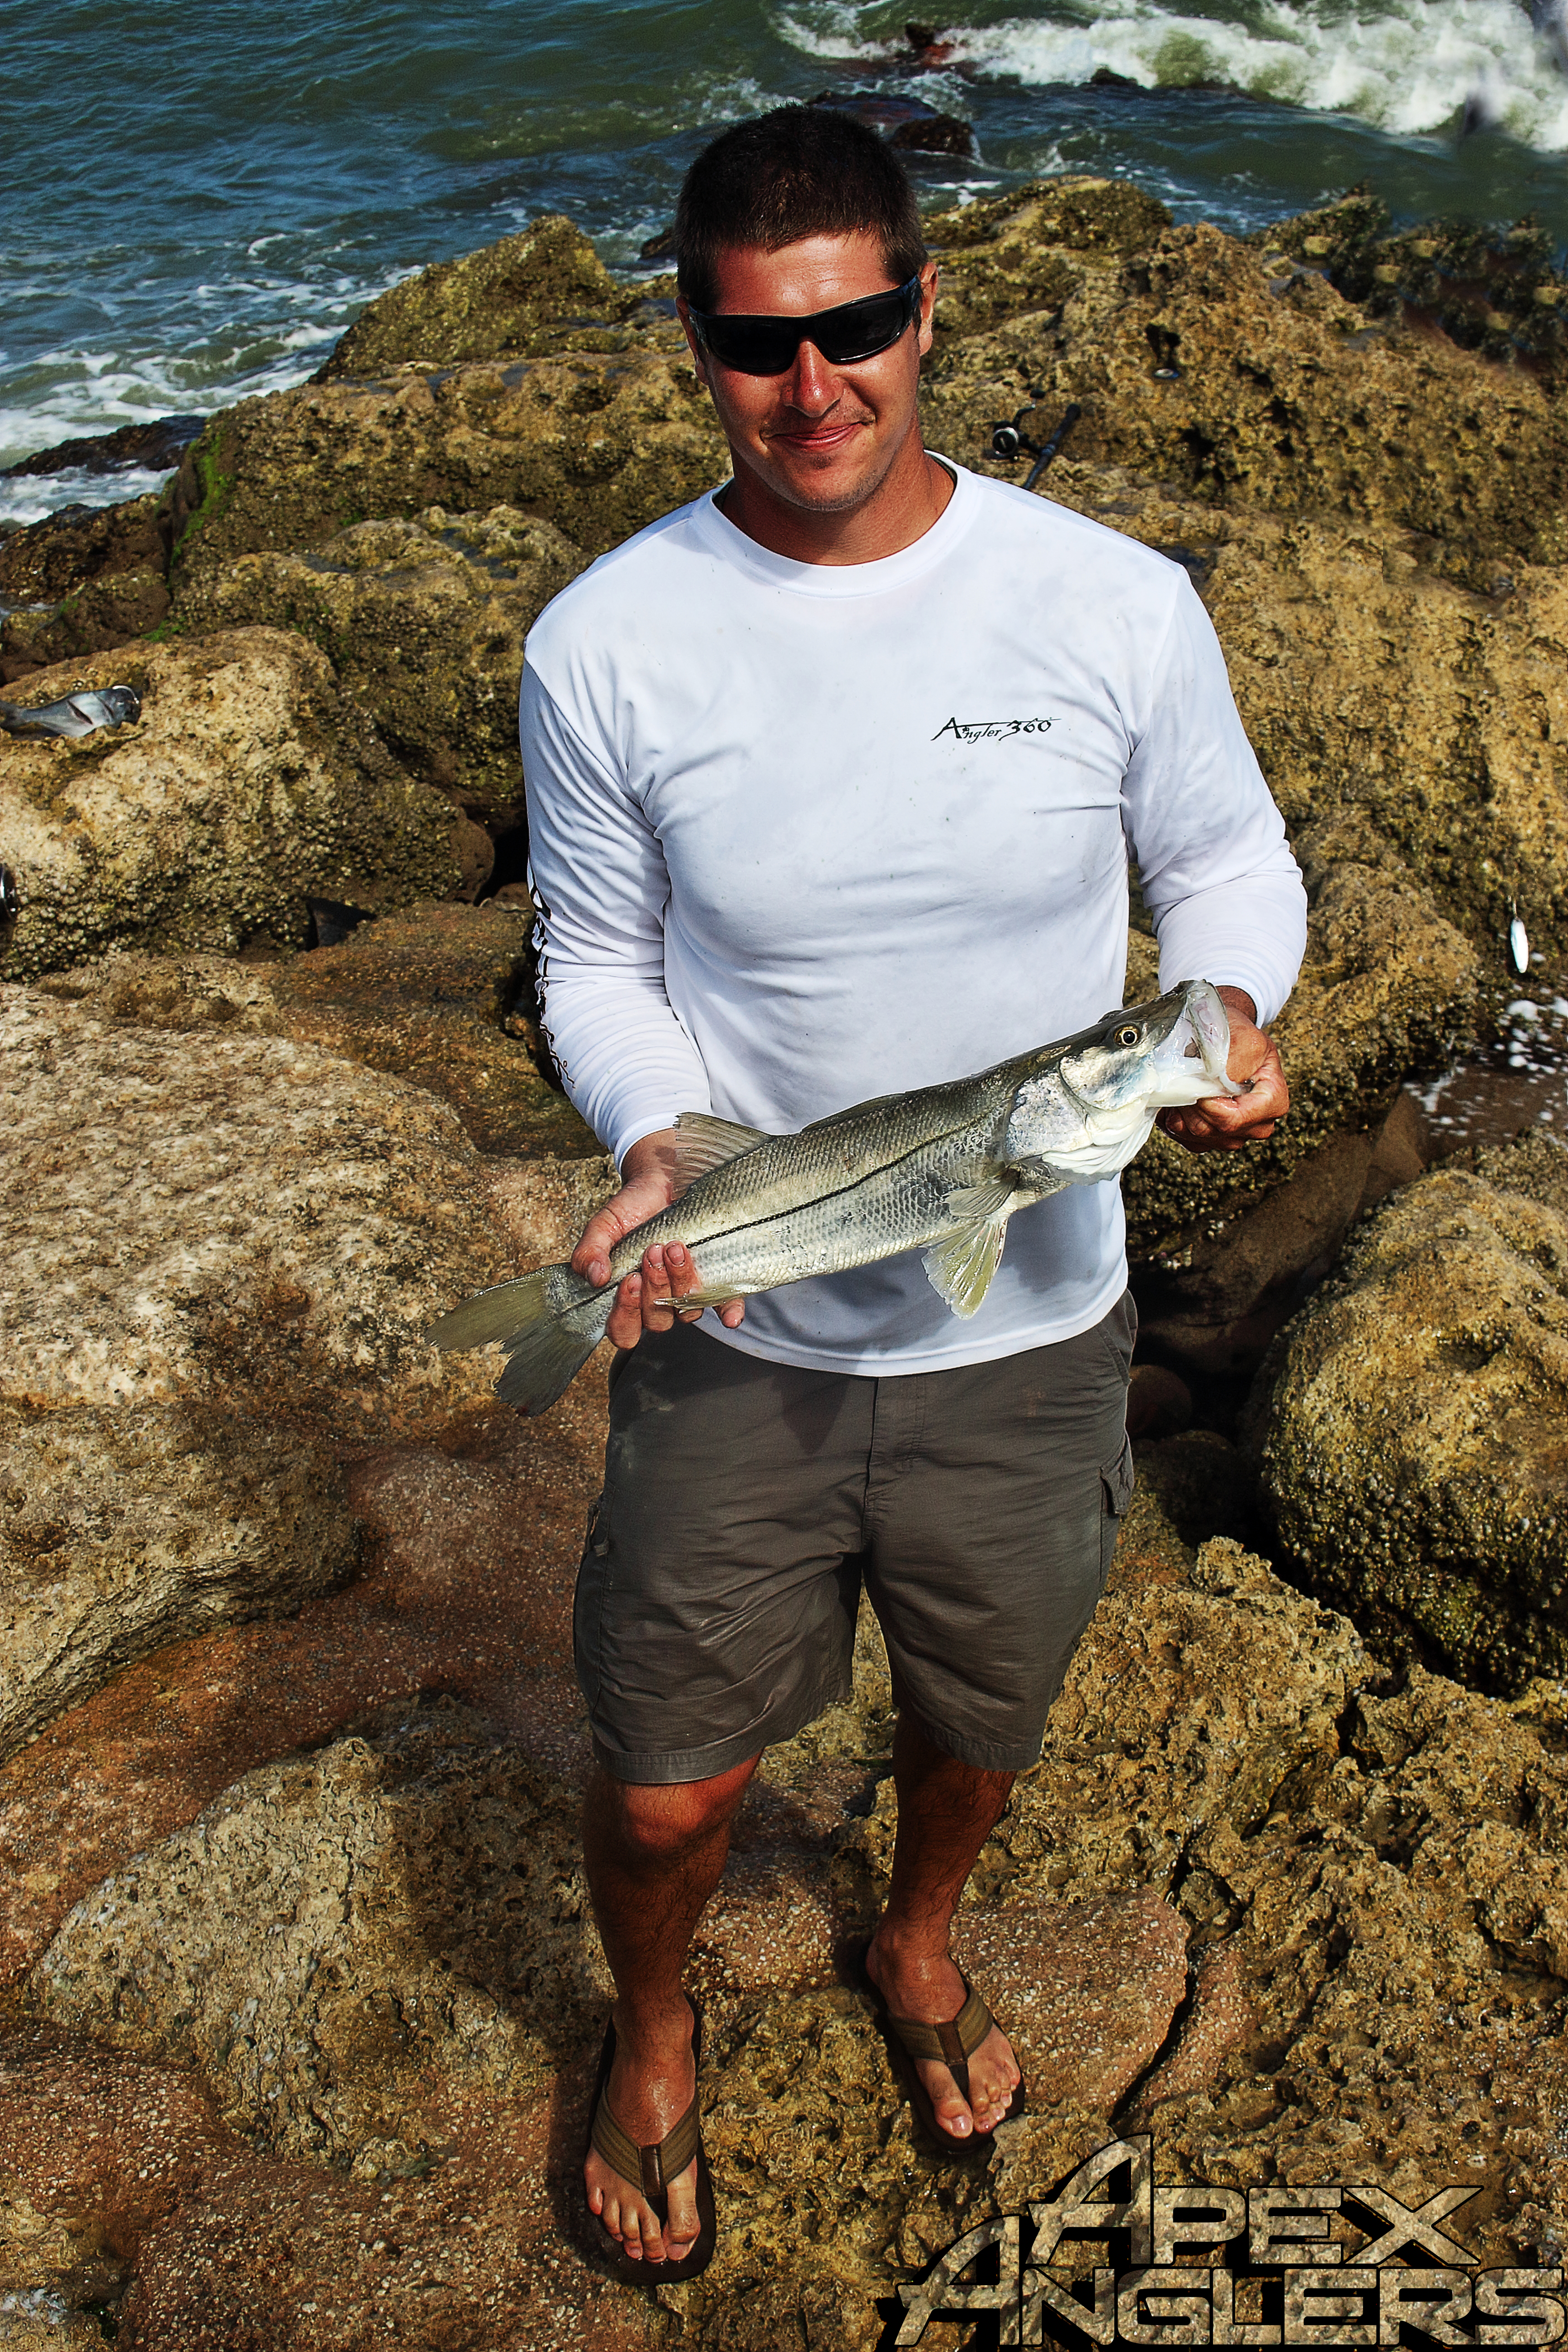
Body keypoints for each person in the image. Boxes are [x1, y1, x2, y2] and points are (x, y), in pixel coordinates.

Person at [519, 105, 1305, 2280]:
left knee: (981, 1717)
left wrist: (1224, 1014)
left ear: (925, 305)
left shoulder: (1107, 599)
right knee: (672, 1780)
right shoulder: (605, 642)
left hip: (1034, 1339)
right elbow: (591, 957)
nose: (819, 383)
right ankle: (655, 2023)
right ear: (694, 343)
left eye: (860, 322)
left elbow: (1227, 866)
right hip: (743, 1319)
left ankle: (920, 1932)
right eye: (762, 342)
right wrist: (661, 1146)